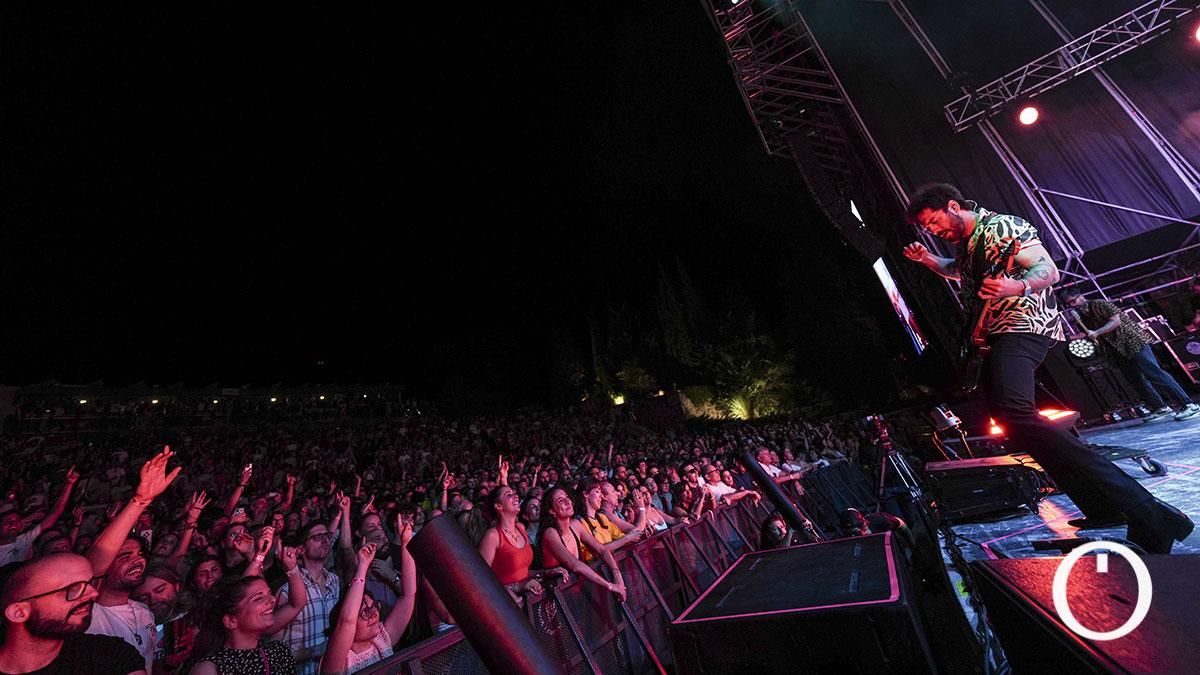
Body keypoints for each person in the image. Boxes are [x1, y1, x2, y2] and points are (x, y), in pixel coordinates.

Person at [903, 183, 1193, 553]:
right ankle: (1102, 505)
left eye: (934, 222)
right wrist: (928, 260)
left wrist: (1017, 286)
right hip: (998, 334)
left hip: (1023, 327)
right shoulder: (969, 246)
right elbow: (957, 271)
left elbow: (1047, 269)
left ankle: (1149, 512)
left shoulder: (1003, 226)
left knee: (1013, 412)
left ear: (954, 206)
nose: (934, 232)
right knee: (1013, 424)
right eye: (928, 230)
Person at [1061, 290, 1199, 421]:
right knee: (1135, 380)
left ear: (1080, 296)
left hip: (1132, 341)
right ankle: (1160, 407)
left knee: (1154, 373)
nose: (1073, 305)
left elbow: (1116, 321)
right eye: (1069, 304)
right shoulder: (1082, 316)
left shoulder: (1099, 304)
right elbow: (1088, 333)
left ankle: (1188, 404)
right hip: (1116, 348)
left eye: (1073, 301)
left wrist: (1097, 332)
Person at [0, 552, 145, 674]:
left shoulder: (108, 654)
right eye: (73, 589)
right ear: (19, 612)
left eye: (89, 583)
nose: (94, 593)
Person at [320, 519, 417, 674]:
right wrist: (363, 567)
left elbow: (408, 595)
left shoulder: (382, 641)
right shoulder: (341, 660)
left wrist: (406, 543)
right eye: (364, 612)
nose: (373, 614)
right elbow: (346, 621)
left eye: (373, 607)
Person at [190, 577, 297, 674]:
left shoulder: (279, 652)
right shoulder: (209, 669)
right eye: (258, 598)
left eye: (269, 593)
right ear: (231, 621)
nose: (272, 599)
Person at [537, 486, 627, 601]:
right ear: (551, 511)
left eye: (567, 497)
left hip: (577, 594)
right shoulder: (550, 533)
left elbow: (602, 550)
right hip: (557, 600)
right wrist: (610, 586)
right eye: (560, 500)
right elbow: (575, 565)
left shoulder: (576, 525)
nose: (567, 501)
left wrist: (617, 576)